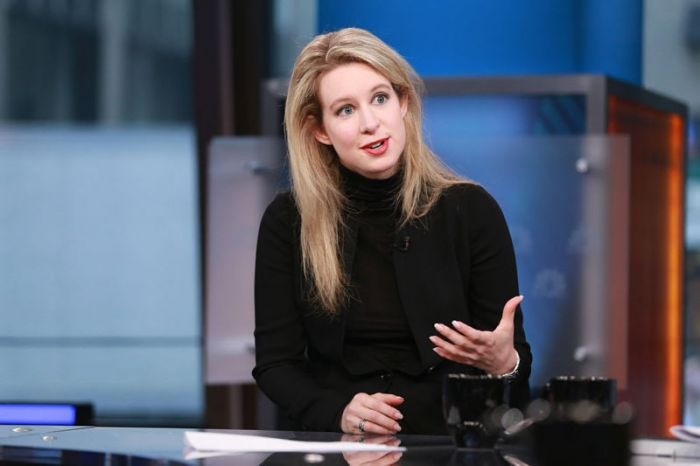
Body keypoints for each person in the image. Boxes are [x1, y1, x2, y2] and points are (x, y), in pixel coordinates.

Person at [253, 27, 531, 435]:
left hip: (448, 444)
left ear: (403, 102)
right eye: (345, 110)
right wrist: (337, 412)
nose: (370, 123)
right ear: (320, 129)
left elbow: (516, 369)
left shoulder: (471, 210)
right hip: (339, 445)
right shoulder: (288, 221)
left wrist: (504, 363)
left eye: (380, 98)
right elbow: (276, 365)